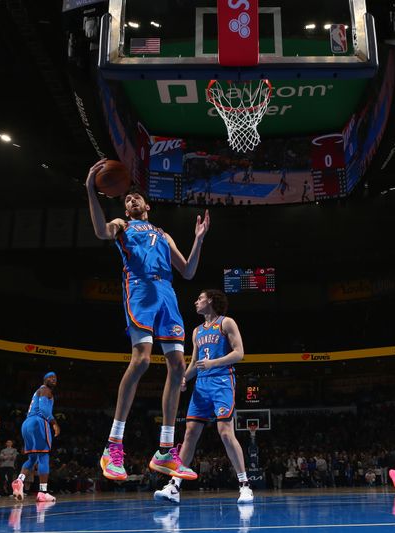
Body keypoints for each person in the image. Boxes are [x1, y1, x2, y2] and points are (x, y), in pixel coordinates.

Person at [85, 160, 210, 481]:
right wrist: (90, 189)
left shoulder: (162, 233)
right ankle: (113, 446)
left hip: (166, 293)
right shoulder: (121, 225)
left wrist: (198, 239)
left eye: (135, 198)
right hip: (139, 290)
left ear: (147, 205)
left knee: (179, 365)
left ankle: (165, 452)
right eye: (127, 200)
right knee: (140, 360)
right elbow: (100, 231)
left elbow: (189, 271)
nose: (131, 201)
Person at [154, 290, 253, 504]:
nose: (196, 301)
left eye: (200, 298)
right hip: (201, 386)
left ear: (210, 301)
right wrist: (184, 379)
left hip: (222, 382)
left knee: (225, 432)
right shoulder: (197, 331)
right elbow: (194, 364)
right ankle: (174, 486)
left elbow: (239, 353)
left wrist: (213, 364)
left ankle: (245, 485)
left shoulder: (227, 323)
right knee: (189, 433)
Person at [12, 372, 60, 502]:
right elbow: (44, 410)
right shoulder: (45, 390)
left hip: (27, 424)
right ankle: (42, 493)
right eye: (50, 377)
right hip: (38, 422)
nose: (53, 380)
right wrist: (54, 423)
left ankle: (19, 480)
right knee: (44, 456)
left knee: (32, 458)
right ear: (44, 380)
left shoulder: (38, 391)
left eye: (55, 378)